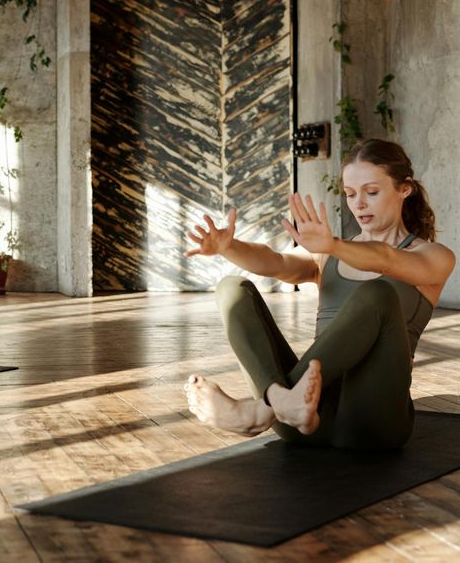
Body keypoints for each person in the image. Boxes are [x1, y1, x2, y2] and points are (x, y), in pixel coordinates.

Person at [183, 139, 455, 449]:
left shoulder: (434, 256)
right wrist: (229, 247)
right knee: (232, 288)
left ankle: (262, 410)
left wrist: (335, 245)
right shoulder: (328, 254)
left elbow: (387, 259)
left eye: (371, 192)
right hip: (304, 418)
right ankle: (280, 400)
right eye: (350, 194)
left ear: (404, 189)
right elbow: (276, 262)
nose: (359, 204)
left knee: (377, 293)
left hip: (373, 423)